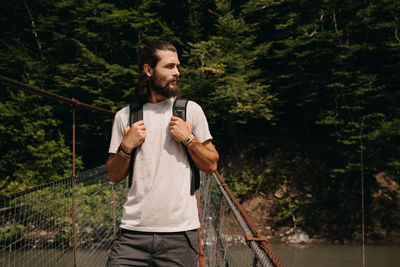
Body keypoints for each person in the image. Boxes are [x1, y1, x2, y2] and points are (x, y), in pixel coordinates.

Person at [105, 40, 219, 267]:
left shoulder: (190, 110)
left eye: (177, 66)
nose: (177, 72)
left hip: (180, 234)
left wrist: (189, 139)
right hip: (132, 233)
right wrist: (126, 147)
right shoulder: (125, 116)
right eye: (169, 67)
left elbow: (211, 164)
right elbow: (113, 175)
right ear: (148, 70)